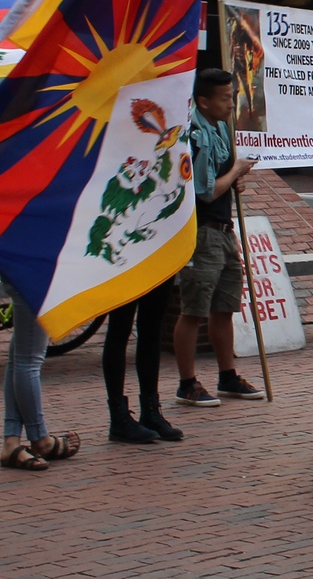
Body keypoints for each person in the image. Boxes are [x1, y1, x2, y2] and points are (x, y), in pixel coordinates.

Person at [173, 68, 264, 407]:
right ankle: (187, 382)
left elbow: (223, 179)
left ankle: (227, 375)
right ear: (204, 101)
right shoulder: (195, 133)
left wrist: (234, 177)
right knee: (194, 309)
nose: (231, 103)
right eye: (225, 98)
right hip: (203, 231)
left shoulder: (223, 129)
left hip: (224, 231)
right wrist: (236, 171)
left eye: (232, 96)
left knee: (225, 306)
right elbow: (206, 191)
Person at [0, 281, 80, 471]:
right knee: (29, 359)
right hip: (32, 271)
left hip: (19, 267)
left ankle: (11, 441)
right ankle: (40, 439)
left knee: (22, 352)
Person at [103, 280, 184, 445]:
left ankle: (151, 411)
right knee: (119, 328)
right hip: (125, 262)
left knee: (152, 329)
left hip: (158, 259)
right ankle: (119, 418)